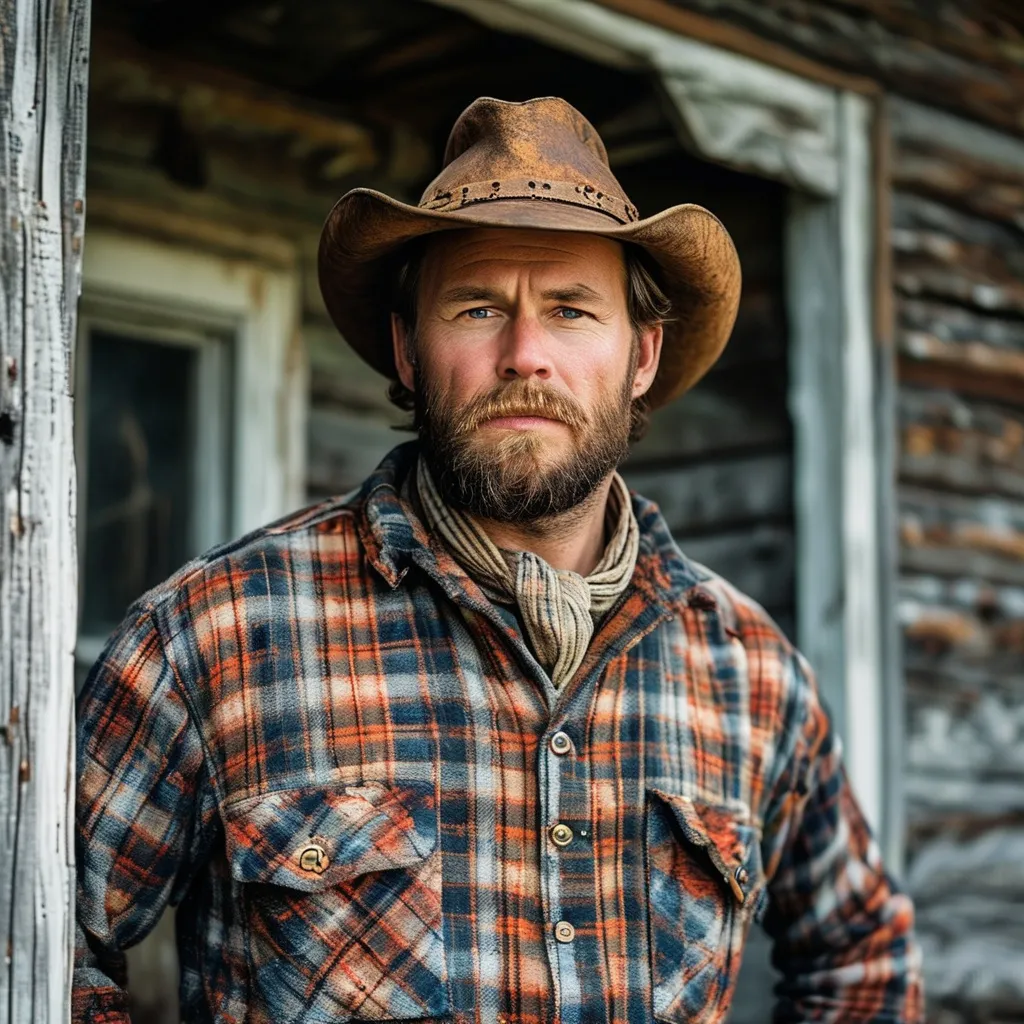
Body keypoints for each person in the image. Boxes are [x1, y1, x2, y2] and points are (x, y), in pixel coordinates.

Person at [74, 96, 923, 1024]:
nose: (526, 355)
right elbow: (42, 942)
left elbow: (860, 958)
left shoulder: (750, 674)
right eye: (479, 307)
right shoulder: (218, 634)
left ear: (641, 355)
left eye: (570, 309)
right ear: (408, 349)